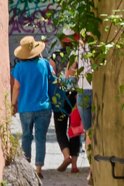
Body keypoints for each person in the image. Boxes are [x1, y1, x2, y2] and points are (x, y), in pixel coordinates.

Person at [10, 35, 54, 170]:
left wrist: (13, 104)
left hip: (25, 107)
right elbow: (51, 78)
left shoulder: (19, 67)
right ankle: (39, 168)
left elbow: (16, 87)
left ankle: (26, 167)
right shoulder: (45, 64)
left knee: (26, 136)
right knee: (41, 138)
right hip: (44, 107)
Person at [49, 60, 80, 172]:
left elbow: (51, 75)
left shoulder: (55, 56)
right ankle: (74, 165)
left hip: (60, 96)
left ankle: (67, 156)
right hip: (75, 96)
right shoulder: (78, 55)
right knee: (75, 129)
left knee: (60, 129)